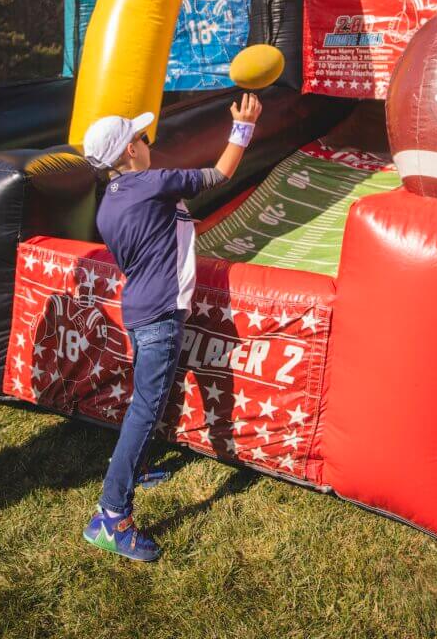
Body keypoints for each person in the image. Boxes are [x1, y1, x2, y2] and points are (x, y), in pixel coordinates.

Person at [81, 92, 263, 562]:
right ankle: (110, 514)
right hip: (159, 314)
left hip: (143, 310)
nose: (146, 141)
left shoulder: (110, 205)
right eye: (141, 137)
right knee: (146, 407)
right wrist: (242, 126)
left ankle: (135, 468)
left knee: (150, 400)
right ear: (128, 152)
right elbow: (221, 173)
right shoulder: (153, 182)